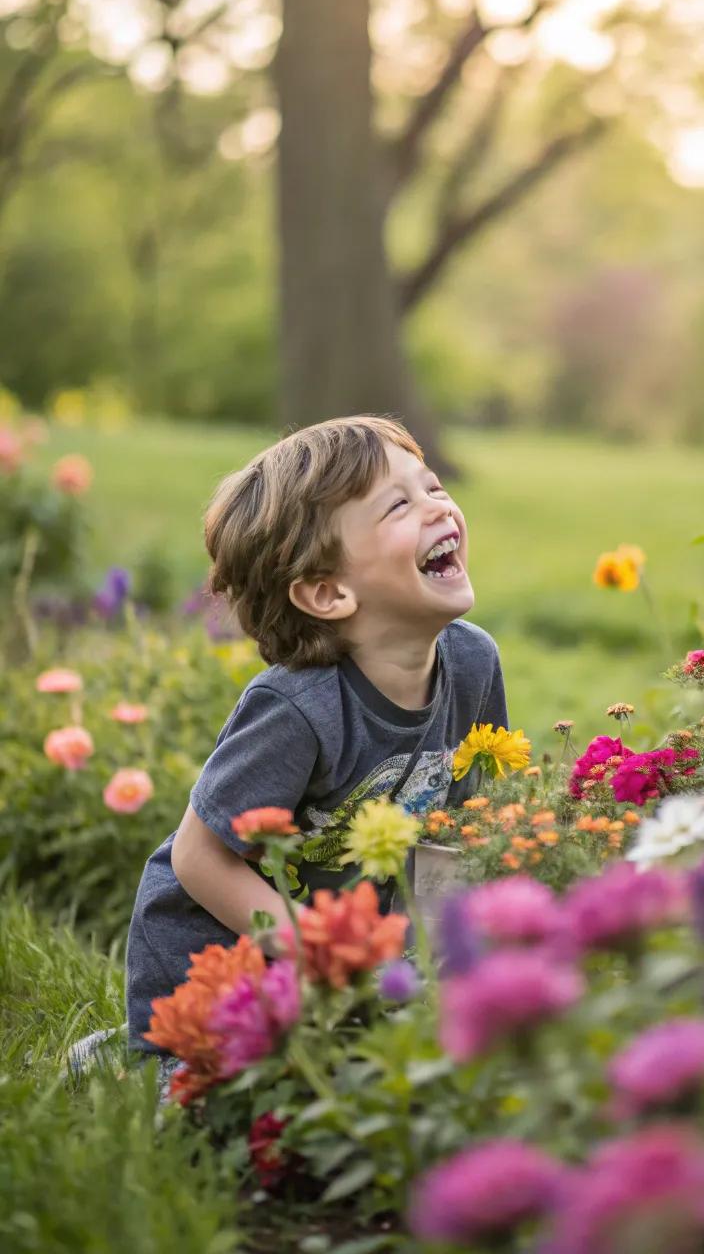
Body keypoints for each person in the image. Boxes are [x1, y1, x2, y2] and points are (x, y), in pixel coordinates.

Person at [124, 414, 508, 1057]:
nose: (439, 507)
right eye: (400, 505)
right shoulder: (297, 709)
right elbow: (198, 857)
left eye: (434, 486)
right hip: (219, 957)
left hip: (349, 964)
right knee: (239, 1113)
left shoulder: (472, 664)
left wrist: (453, 960)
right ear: (328, 592)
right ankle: (135, 1059)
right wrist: (311, 945)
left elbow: (462, 827)